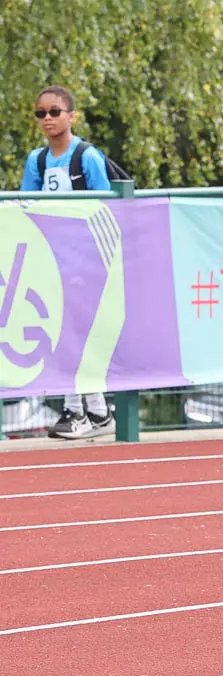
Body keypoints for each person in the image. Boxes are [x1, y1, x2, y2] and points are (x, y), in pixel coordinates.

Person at [21, 86, 116, 439]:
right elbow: (27, 207)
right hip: (51, 262)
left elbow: (107, 210)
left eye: (55, 111)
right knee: (62, 335)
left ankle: (81, 410)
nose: (48, 118)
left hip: (85, 263)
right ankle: (94, 411)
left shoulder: (87, 157)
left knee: (78, 335)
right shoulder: (38, 160)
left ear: (71, 115)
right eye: (41, 113)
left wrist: (92, 264)